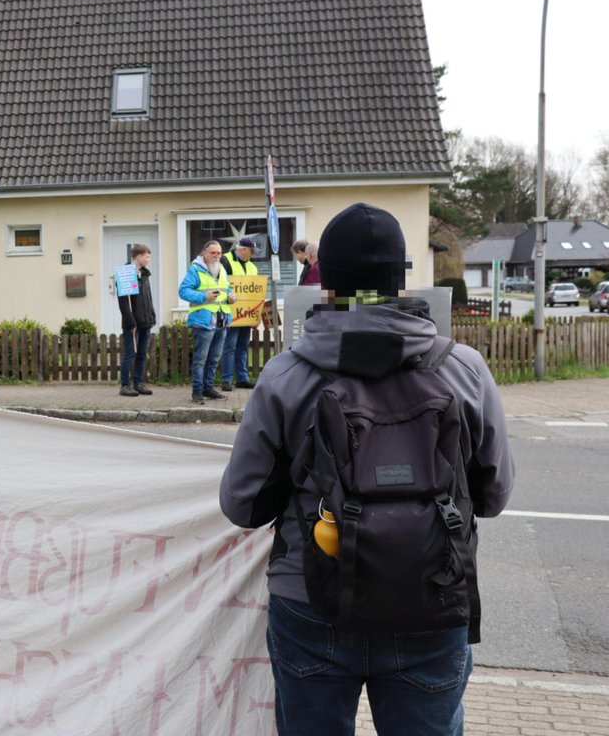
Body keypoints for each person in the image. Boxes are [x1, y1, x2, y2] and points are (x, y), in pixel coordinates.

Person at [219, 202, 515, 736]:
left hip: (313, 601)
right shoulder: (463, 368)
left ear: (325, 282)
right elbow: (493, 496)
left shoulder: (287, 374)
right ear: (401, 280)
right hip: (432, 596)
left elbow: (242, 504)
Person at [178, 240, 235, 405]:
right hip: (203, 321)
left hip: (221, 319)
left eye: (219, 253)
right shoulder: (195, 269)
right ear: (204, 252)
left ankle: (208, 388)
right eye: (213, 253)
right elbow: (183, 291)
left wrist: (232, 297)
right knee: (200, 359)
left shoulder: (221, 268)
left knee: (214, 358)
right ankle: (197, 392)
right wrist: (203, 296)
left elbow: (227, 289)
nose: (217, 256)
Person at [219, 236, 260, 391]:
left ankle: (242, 378)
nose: (253, 254)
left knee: (242, 346)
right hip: (231, 312)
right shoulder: (225, 261)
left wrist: (256, 314)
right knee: (229, 346)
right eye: (251, 251)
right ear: (242, 249)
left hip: (246, 313)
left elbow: (255, 290)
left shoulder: (252, 266)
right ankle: (227, 380)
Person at [117, 243, 156, 396]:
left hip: (145, 320)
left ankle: (138, 382)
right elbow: (124, 301)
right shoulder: (126, 274)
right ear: (139, 257)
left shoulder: (144, 275)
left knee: (141, 353)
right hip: (133, 323)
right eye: (147, 257)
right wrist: (130, 321)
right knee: (130, 354)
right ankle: (125, 384)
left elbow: (148, 298)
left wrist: (151, 315)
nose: (148, 260)